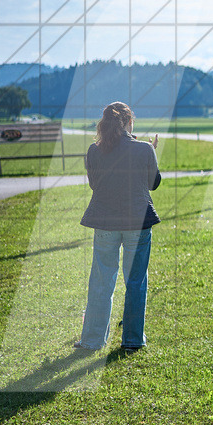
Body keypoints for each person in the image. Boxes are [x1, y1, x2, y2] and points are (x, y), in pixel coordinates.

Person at [75, 102, 161, 351]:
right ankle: (133, 340)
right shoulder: (144, 148)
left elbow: (95, 185)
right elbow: (152, 183)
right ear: (127, 122)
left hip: (104, 223)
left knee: (101, 281)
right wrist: (151, 153)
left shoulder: (93, 150)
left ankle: (92, 340)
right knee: (135, 281)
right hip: (138, 222)